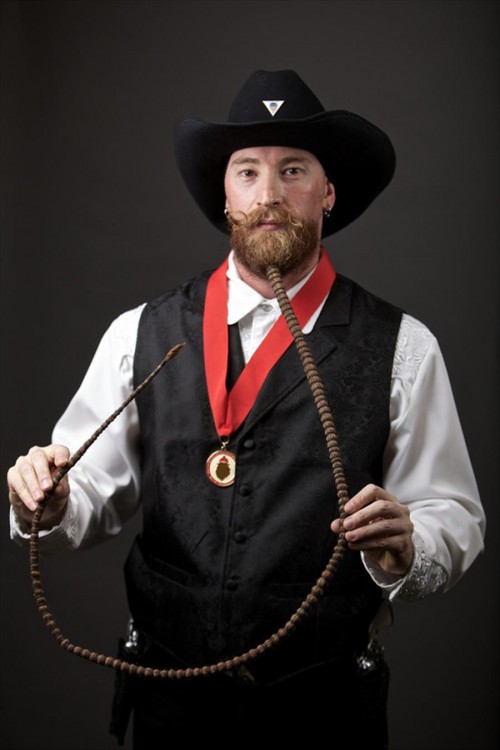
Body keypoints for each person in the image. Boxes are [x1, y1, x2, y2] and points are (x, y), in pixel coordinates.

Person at [8, 70, 485, 748]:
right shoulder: (139, 333)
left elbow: (454, 517)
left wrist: (411, 541)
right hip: (169, 704)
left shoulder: (404, 347)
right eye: (247, 173)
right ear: (223, 196)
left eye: (293, 170)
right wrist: (48, 501)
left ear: (328, 193)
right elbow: (86, 492)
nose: (269, 196)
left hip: (325, 710)